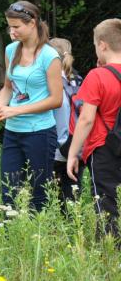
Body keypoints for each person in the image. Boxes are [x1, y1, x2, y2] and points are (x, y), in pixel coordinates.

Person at [0, 0, 62, 212]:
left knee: (39, 193)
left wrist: (14, 110)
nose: (11, 32)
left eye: (16, 27)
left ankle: (40, 231)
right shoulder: (11, 50)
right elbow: (8, 87)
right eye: (9, 26)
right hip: (13, 132)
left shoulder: (50, 56)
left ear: (32, 23)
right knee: (9, 191)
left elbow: (56, 100)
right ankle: (10, 232)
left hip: (40, 132)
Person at [67, 19, 121, 242]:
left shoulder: (97, 76)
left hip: (104, 146)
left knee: (106, 201)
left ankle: (110, 251)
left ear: (102, 45)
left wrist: (73, 153)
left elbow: (86, 119)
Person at [49, 37, 85, 208]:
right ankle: (73, 224)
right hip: (77, 145)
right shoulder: (78, 79)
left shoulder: (50, 81)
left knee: (51, 199)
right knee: (72, 197)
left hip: (56, 147)